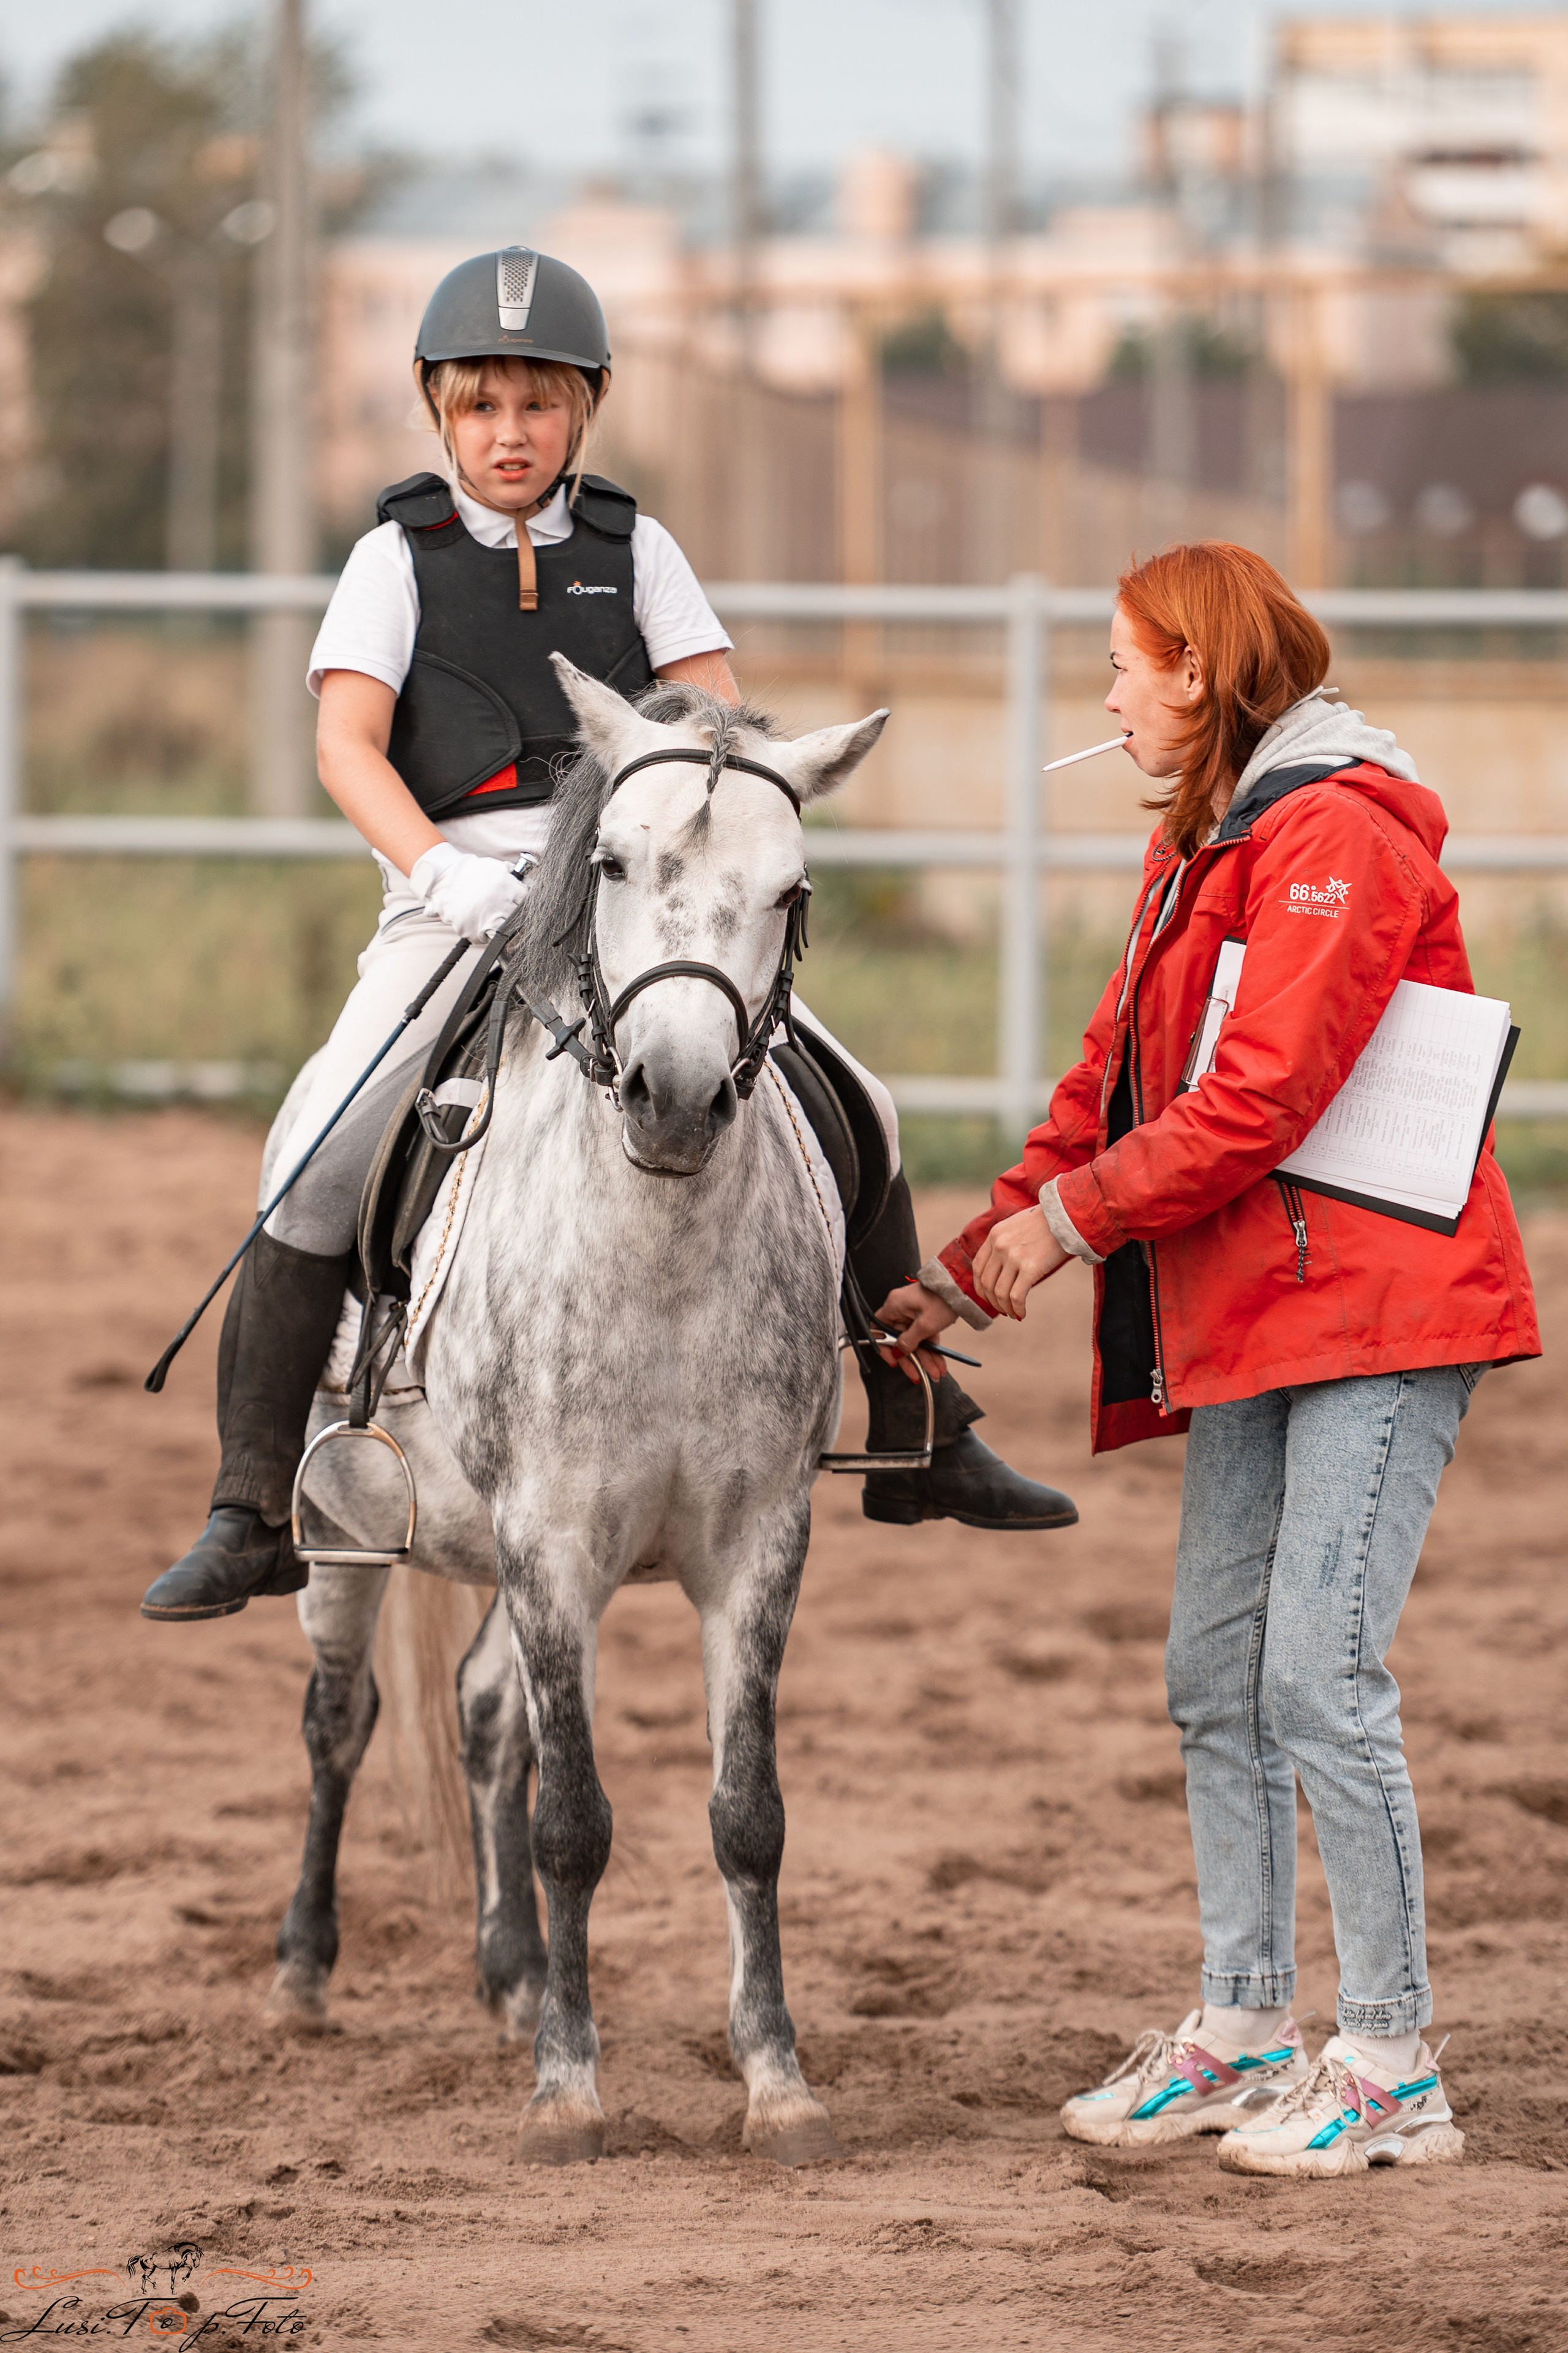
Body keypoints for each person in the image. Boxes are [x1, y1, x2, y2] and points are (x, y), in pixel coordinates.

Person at [141, 247, 1074, 1625]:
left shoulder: (638, 550)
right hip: (454, 896)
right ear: (435, 410)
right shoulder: (393, 558)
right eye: (478, 409)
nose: (506, 436)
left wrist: (681, 851)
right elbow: (347, 747)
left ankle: (919, 1426)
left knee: (853, 1101)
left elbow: (712, 723)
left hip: (635, 894)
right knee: (320, 1139)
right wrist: (445, 877)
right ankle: (248, 1501)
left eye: (534, 407)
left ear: (585, 409)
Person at [875, 541, 1540, 2178]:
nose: (1105, 696)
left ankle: (1388, 2060)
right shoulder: (1202, 850)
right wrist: (970, 1267)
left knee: (1317, 1672)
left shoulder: (1337, 835)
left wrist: (1076, 1227)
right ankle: (1247, 2028)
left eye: (1125, 664)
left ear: (1202, 669)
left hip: (1383, 1314)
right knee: (1214, 1676)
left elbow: (1262, 1096)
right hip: (1255, 1314)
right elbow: (1112, 1080)